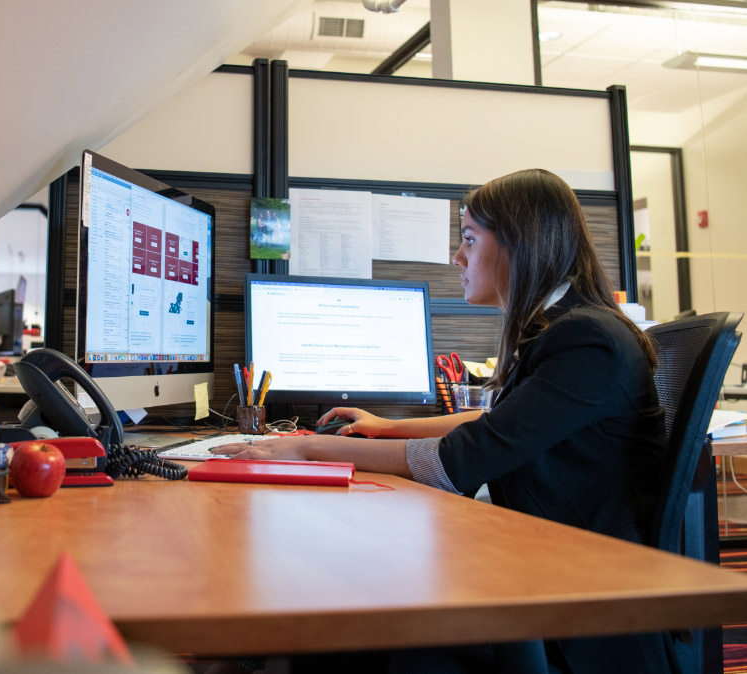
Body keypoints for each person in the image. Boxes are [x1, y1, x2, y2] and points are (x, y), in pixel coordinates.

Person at [215, 169, 669, 674]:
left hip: (578, 614)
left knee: (350, 611)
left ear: (520, 245)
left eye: (470, 240)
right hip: (545, 568)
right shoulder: (564, 328)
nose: (457, 256)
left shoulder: (587, 339)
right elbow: (499, 418)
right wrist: (383, 427)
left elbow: (463, 458)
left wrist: (306, 450)